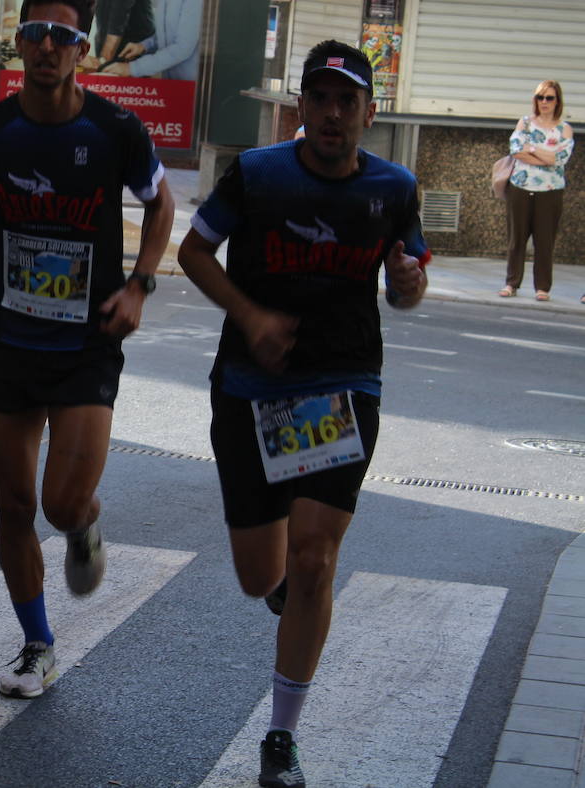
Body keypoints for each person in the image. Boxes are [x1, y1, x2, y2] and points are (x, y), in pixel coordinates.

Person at [178, 40, 429, 788]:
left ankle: (281, 740)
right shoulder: (257, 175)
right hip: (251, 389)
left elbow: (407, 291)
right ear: (300, 109)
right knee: (263, 576)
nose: (330, 113)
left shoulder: (395, 188)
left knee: (316, 556)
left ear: (368, 114)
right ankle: (287, 592)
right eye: (317, 99)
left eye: (345, 101)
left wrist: (408, 280)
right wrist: (251, 317)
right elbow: (193, 253)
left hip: (344, 385)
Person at [0, 0, 174, 700]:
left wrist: (140, 284)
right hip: (10, 341)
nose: (48, 48)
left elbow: (161, 204)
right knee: (12, 507)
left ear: (81, 53)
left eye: (65, 38)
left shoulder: (113, 131)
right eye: (36, 33)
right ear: (19, 40)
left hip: (86, 344)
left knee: (61, 503)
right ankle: (37, 644)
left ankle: (84, 524)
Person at [499, 80, 573, 302]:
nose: (544, 102)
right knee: (516, 239)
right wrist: (543, 154)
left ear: (557, 101)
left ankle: (542, 287)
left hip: (550, 191)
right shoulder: (525, 123)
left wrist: (531, 149)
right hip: (521, 187)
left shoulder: (564, 129)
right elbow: (516, 150)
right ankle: (512, 283)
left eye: (549, 98)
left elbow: (560, 159)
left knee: (544, 240)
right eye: (540, 98)